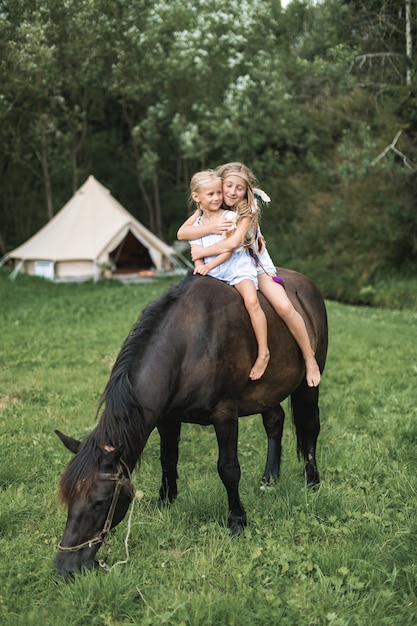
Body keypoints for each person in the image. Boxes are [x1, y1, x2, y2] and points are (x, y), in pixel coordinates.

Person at [178, 162, 321, 388]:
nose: (233, 192)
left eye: (240, 188)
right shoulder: (212, 202)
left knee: (283, 306)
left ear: (247, 191)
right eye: (229, 186)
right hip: (221, 264)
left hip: (252, 263)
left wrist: (203, 251)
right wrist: (210, 229)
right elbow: (183, 232)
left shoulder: (247, 209)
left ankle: (308, 357)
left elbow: (234, 242)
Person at [184, 169, 270, 381]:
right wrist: (198, 265)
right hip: (211, 270)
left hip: (235, 268)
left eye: (217, 194)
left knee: (251, 302)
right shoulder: (195, 225)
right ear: (197, 197)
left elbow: (229, 250)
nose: (216, 198)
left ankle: (263, 352)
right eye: (211, 194)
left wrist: (208, 264)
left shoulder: (230, 217)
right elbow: (195, 249)